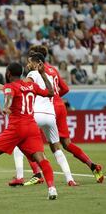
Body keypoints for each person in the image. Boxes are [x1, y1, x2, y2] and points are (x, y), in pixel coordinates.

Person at [0, 62, 58, 200]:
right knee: (41, 159)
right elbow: (51, 92)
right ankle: (52, 188)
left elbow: (9, 96)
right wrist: (42, 74)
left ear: (8, 74)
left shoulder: (11, 87)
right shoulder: (31, 85)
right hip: (32, 127)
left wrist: (6, 106)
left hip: (17, 127)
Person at [26, 45, 103, 184]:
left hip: (48, 108)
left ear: (38, 58)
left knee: (26, 138)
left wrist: (47, 99)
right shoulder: (53, 70)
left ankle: (37, 174)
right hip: (60, 105)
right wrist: (55, 97)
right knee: (67, 144)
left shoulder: (37, 72)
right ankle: (93, 166)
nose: (29, 62)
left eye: (31, 57)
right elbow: (65, 88)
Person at [9, 53, 76, 186]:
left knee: (19, 143)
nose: (28, 65)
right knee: (56, 147)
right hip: (51, 116)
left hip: (37, 114)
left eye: (30, 62)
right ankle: (70, 179)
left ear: (37, 63)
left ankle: (21, 176)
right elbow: (54, 92)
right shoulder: (49, 76)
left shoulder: (33, 74)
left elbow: (22, 86)